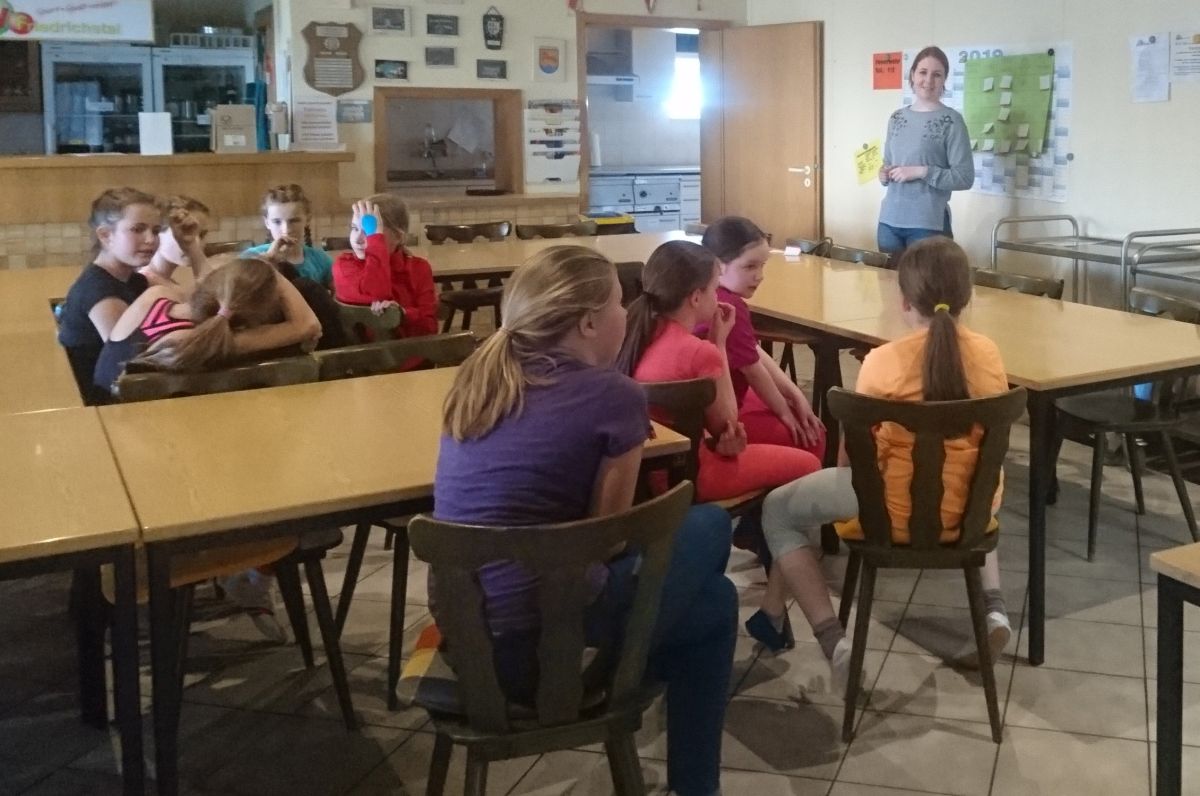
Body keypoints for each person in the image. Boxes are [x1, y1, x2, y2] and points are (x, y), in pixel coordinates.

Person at [435, 245, 736, 796]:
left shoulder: (479, 381)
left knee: (713, 603)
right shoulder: (614, 396)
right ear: (589, 322)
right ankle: (695, 784)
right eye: (620, 302)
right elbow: (609, 539)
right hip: (546, 652)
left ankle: (694, 775)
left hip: (465, 640)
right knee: (711, 528)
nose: (628, 312)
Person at [762, 237, 1014, 689]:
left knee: (778, 509)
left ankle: (834, 640)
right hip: (971, 516)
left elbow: (851, 461)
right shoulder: (990, 354)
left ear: (904, 301)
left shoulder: (882, 362)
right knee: (977, 478)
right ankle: (993, 608)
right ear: (968, 296)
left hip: (890, 516)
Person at [616, 239, 822, 654]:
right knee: (808, 466)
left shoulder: (631, 334)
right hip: (694, 474)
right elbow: (729, 425)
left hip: (644, 476)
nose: (718, 296)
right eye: (713, 288)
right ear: (696, 297)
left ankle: (764, 548)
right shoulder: (699, 352)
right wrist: (720, 345)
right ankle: (772, 604)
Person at [700, 216, 826, 457]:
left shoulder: (712, 294)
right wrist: (785, 413)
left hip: (712, 404)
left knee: (796, 413)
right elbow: (753, 371)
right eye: (750, 267)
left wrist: (793, 393)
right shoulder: (729, 305)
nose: (760, 276)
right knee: (813, 439)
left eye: (762, 266)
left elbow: (751, 352)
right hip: (717, 417)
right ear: (718, 266)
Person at [58, 187, 158, 405]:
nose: (151, 239)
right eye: (138, 229)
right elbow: (132, 362)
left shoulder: (134, 280)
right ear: (105, 235)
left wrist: (190, 248)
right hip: (100, 406)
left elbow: (188, 301)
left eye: (156, 230)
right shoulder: (100, 292)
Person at [877, 46, 975, 257]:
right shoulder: (896, 118)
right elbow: (888, 163)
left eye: (936, 74)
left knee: (928, 280)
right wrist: (883, 174)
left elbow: (964, 178)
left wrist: (922, 171)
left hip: (928, 225)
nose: (928, 80)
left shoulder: (952, 121)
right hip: (889, 222)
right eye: (923, 72)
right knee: (886, 279)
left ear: (944, 80)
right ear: (912, 75)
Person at [332, 195, 438, 339]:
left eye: (370, 231)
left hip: (412, 349)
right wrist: (376, 241)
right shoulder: (344, 265)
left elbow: (430, 327)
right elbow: (378, 294)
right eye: (354, 228)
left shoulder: (419, 268)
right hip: (363, 352)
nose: (358, 239)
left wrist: (403, 313)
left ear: (398, 237)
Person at [242, 183, 334, 286]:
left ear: (307, 220)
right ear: (267, 222)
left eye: (294, 221)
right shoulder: (250, 259)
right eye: (277, 222)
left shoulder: (321, 260)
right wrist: (269, 259)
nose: (286, 229)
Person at [140, 195, 211, 288]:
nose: (195, 242)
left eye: (202, 235)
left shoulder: (167, 282)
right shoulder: (143, 283)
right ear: (158, 232)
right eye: (185, 230)